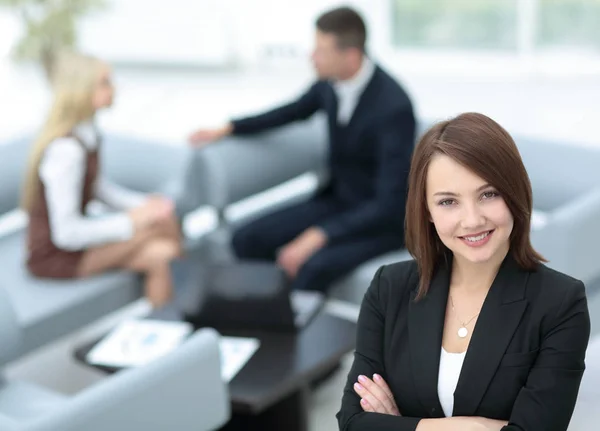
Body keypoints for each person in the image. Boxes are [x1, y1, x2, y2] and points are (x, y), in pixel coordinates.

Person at [337, 113, 590, 430]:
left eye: (488, 194)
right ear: (427, 211)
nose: (471, 220)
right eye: (448, 202)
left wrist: (401, 425)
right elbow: (352, 422)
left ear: (514, 194)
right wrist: (468, 427)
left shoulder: (561, 303)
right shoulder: (389, 287)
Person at [189, 6, 416, 293]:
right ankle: (264, 317)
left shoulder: (393, 106)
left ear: (351, 55)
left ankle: (296, 330)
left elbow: (389, 202)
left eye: (321, 50)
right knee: (246, 239)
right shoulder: (329, 85)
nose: (312, 56)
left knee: (313, 267)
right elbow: (289, 112)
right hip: (336, 202)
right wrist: (230, 127)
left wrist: (319, 235)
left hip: (379, 221)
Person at [21, 51, 182, 308]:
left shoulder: (87, 133)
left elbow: (97, 188)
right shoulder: (66, 150)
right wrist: (131, 221)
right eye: (105, 82)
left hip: (76, 244)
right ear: (81, 90)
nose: (114, 88)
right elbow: (66, 233)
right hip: (57, 256)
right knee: (160, 228)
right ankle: (192, 300)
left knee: (161, 254)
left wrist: (141, 205)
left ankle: (171, 325)